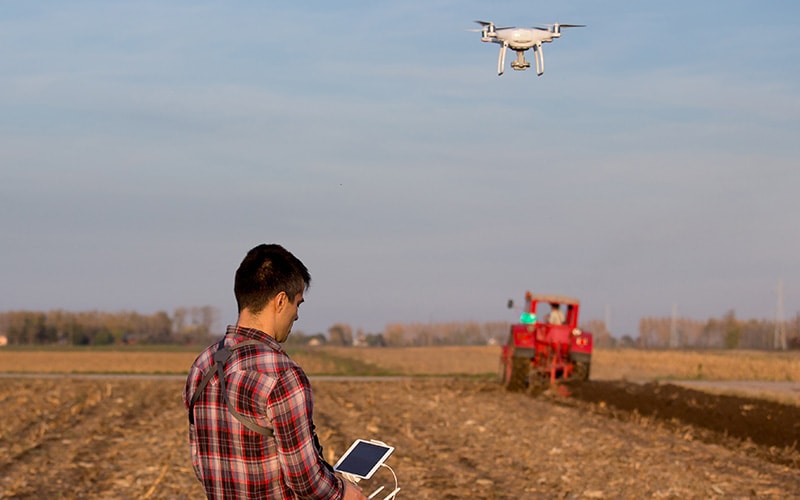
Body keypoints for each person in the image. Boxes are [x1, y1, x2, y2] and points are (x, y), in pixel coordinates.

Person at [184, 244, 366, 499]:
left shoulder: (203, 364)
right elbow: (305, 480)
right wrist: (344, 492)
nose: (296, 316)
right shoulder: (282, 374)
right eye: (297, 304)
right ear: (281, 300)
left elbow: (199, 461)